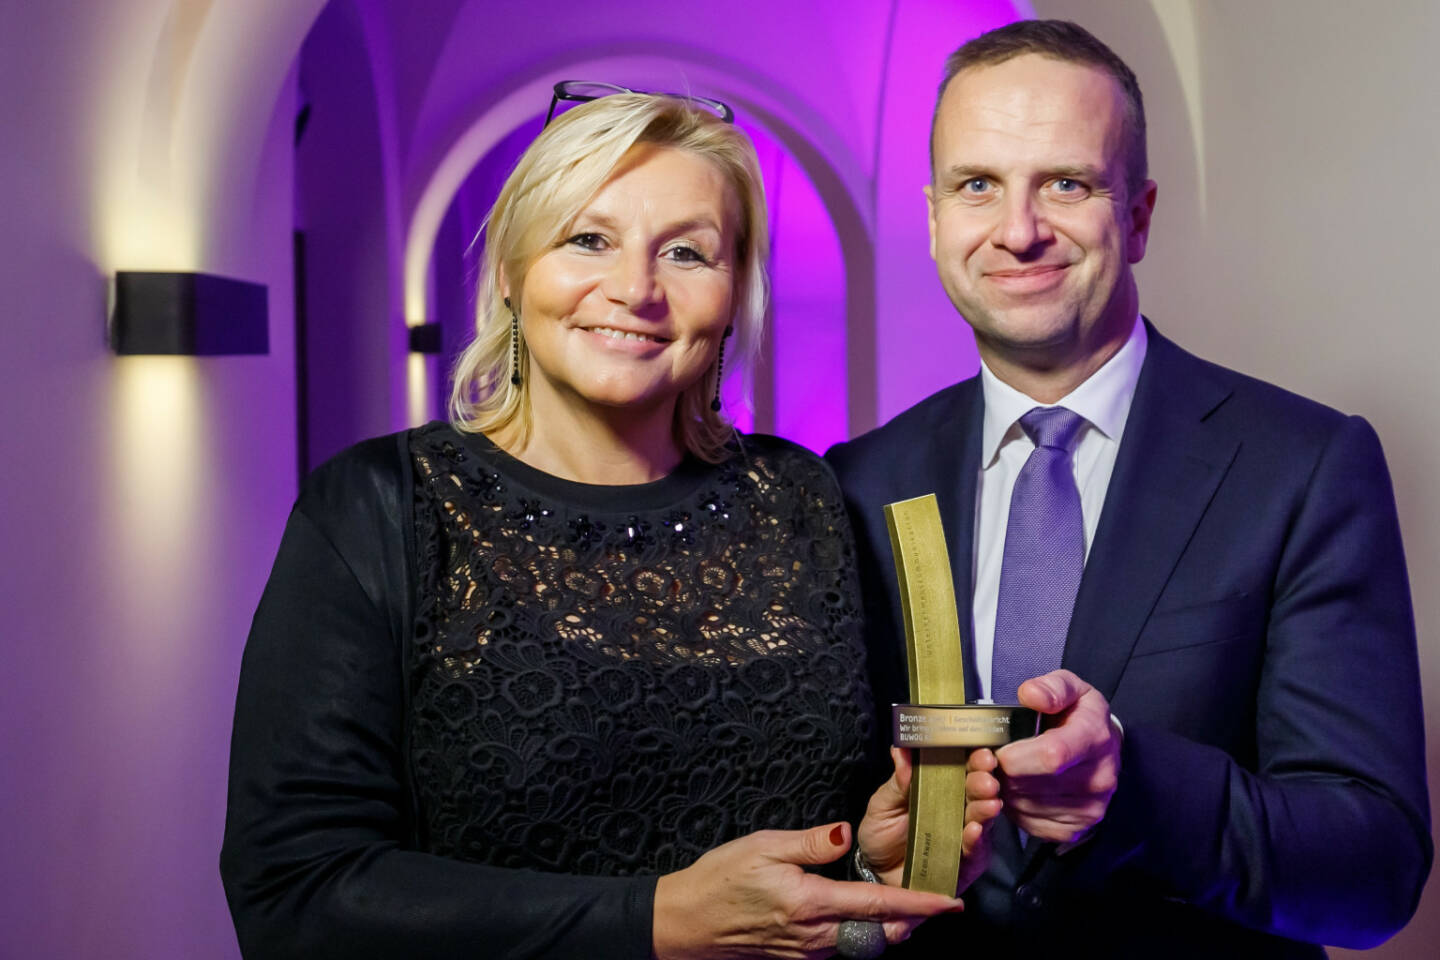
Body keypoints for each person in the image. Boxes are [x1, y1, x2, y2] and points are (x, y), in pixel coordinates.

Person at [220, 90, 999, 960]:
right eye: (587, 239)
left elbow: (836, 921)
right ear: (513, 272)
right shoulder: (380, 507)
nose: (636, 290)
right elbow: (294, 897)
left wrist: (867, 868)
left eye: (687, 252)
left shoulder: (801, 498)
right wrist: (660, 921)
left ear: (735, 291)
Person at [826, 19, 1431, 957]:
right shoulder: (856, 483)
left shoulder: (1303, 468)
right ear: (938, 216)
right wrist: (873, 871)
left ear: (1139, 216)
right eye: (977, 184)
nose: (1019, 230)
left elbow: (1375, 875)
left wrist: (1132, 785)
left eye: (1067, 183)